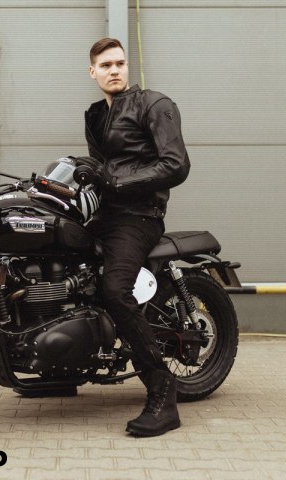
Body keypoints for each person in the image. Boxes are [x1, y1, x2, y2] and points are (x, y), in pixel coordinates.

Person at [84, 38, 190, 437]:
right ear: (92, 72)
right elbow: (99, 167)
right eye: (105, 65)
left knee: (115, 290)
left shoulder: (154, 105)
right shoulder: (96, 114)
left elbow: (176, 165)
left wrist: (120, 183)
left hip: (139, 215)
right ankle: (55, 370)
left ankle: (162, 390)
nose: (114, 70)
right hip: (104, 215)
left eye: (120, 63)